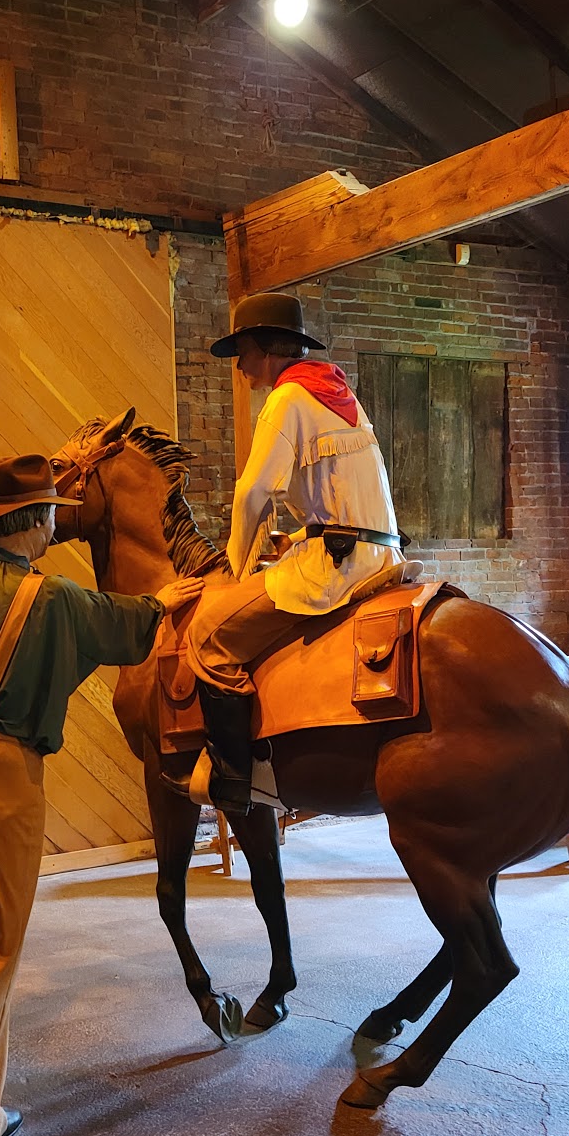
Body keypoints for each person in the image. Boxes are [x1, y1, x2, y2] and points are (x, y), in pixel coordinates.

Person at [0, 454, 203, 1136]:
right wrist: (173, 596)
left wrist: (2, 500)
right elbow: (134, 624)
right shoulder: (52, 599)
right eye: (50, 517)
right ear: (40, 522)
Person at [187, 293, 404, 815]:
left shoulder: (285, 400)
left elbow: (253, 493)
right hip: (379, 554)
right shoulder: (337, 393)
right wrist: (294, 539)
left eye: (243, 351)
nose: (240, 366)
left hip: (337, 566)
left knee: (210, 633)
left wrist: (235, 569)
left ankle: (235, 777)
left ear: (265, 348)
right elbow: (336, 497)